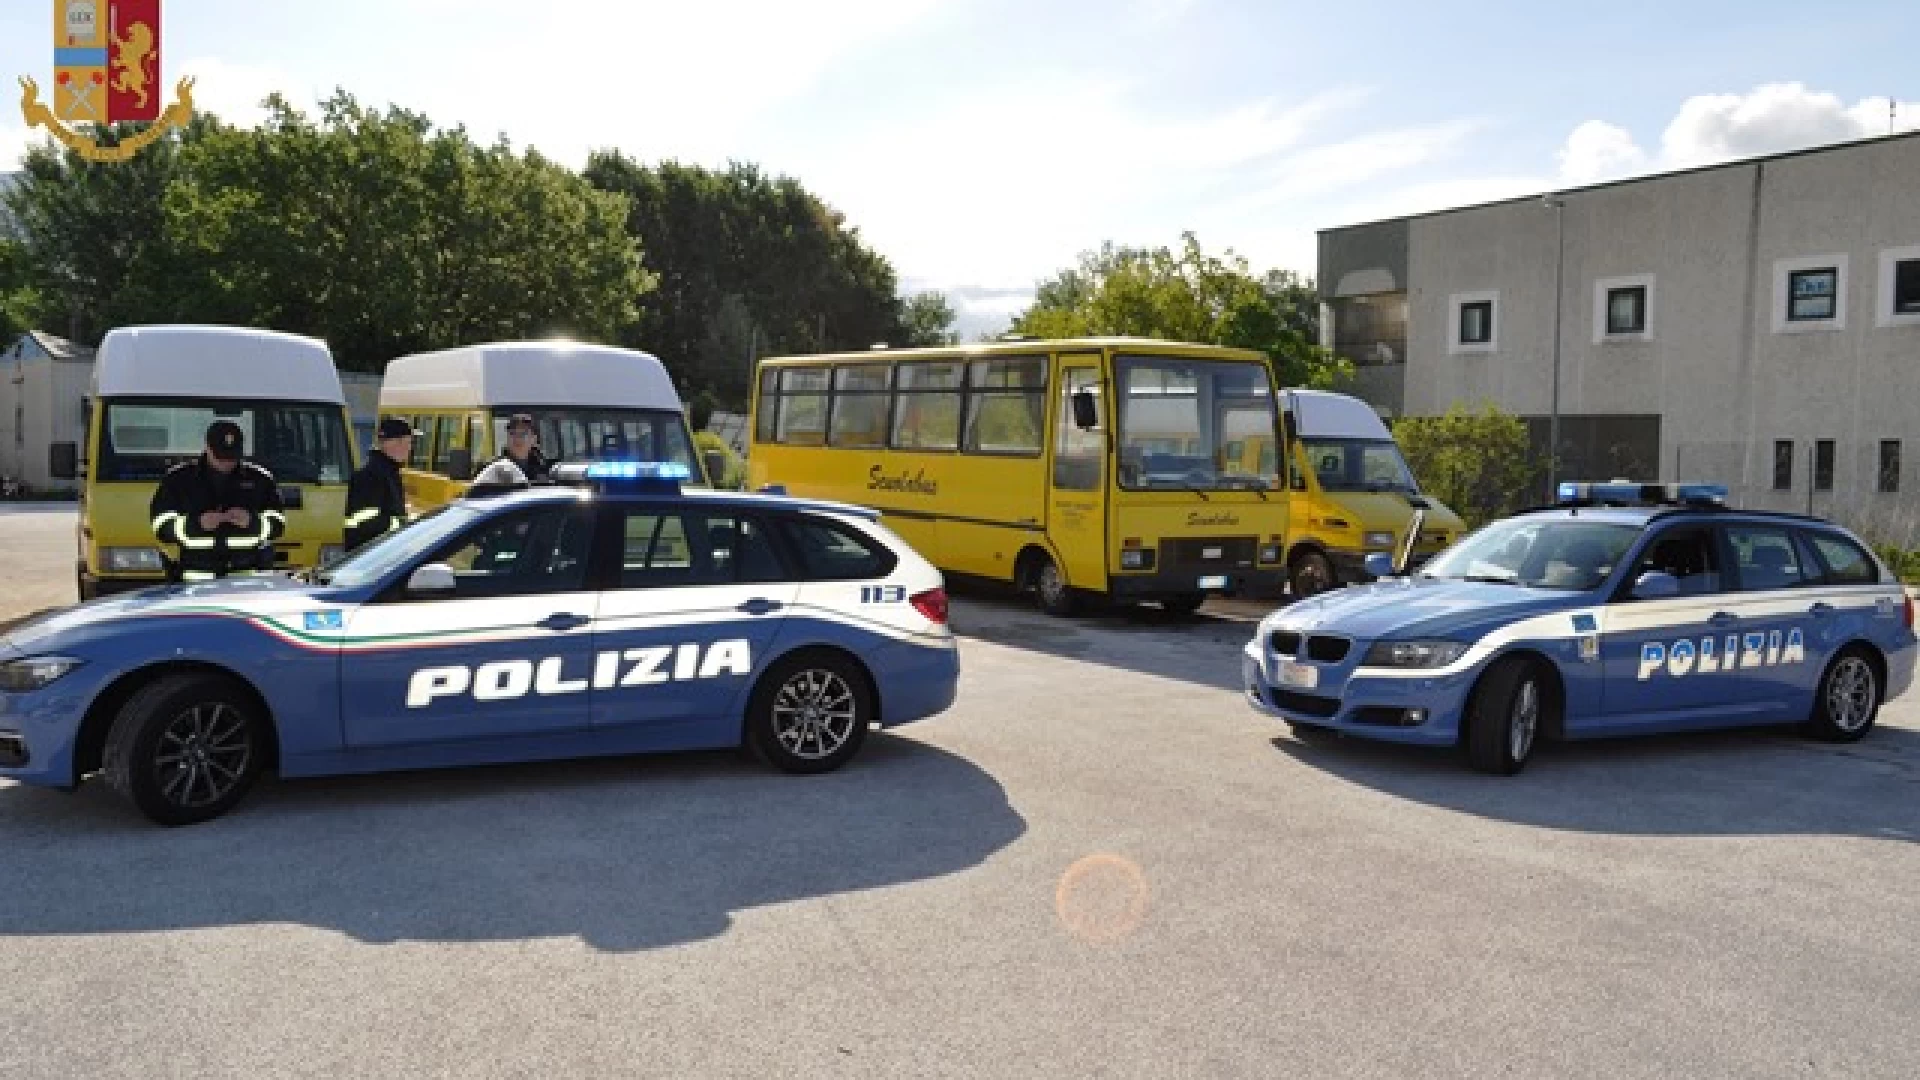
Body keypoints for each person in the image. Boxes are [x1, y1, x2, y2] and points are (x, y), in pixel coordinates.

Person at [149, 419, 288, 583]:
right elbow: (160, 525)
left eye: (232, 457)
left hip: (246, 581)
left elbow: (278, 523)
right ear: (207, 448)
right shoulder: (179, 480)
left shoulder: (260, 480)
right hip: (194, 581)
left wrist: (253, 522)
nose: (226, 463)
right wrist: (196, 524)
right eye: (220, 457)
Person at [343, 417, 414, 554]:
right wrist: (402, 524)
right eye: (403, 442)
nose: (408, 448)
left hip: (379, 555)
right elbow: (362, 521)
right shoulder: (370, 476)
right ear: (387, 444)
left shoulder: (390, 473)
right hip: (367, 557)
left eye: (409, 443)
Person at [482, 412, 553, 484]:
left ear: (534, 439)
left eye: (523, 433)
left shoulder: (547, 469)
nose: (517, 438)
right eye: (512, 433)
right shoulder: (491, 469)